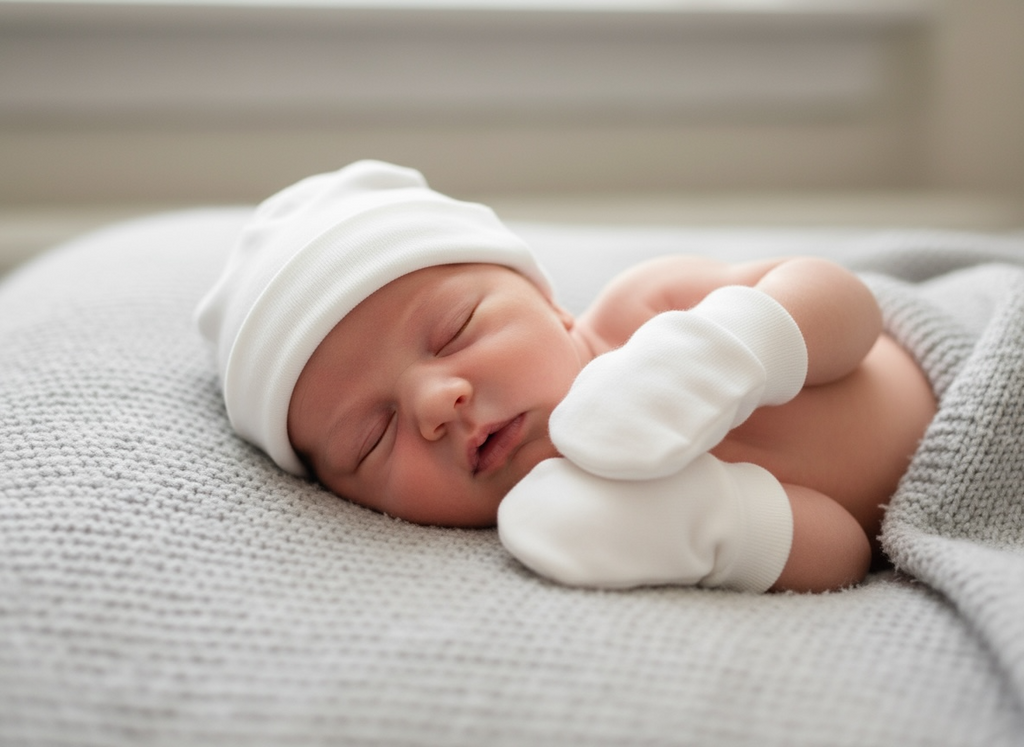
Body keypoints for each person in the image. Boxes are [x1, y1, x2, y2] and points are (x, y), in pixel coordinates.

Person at [196, 160, 936, 595]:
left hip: (948, 365)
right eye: (372, 436)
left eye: (454, 330)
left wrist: (737, 341)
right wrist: (703, 519)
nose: (434, 402)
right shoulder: (583, 528)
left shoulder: (643, 307)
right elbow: (847, 548)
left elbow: (851, 308)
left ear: (548, 299)